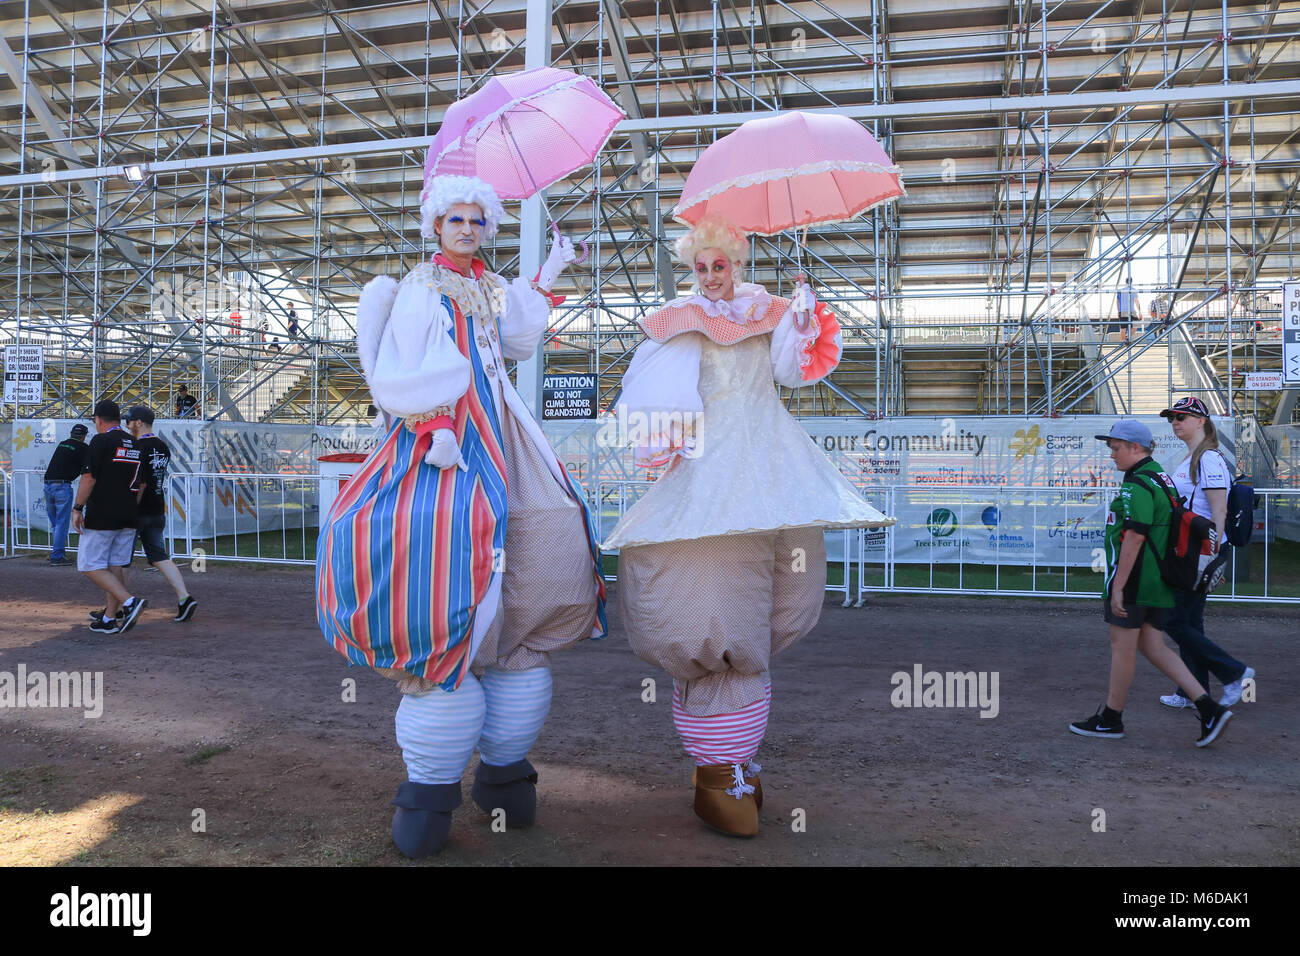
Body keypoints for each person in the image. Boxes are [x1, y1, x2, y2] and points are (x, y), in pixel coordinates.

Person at [316, 171, 606, 858]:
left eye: (479, 222)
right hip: (439, 431)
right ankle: (432, 782)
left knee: (540, 521)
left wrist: (554, 268)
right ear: (435, 225)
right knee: (438, 537)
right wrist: (433, 423)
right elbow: (403, 362)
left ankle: (504, 764)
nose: (469, 230)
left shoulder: (488, 286)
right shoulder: (420, 287)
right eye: (458, 221)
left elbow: (517, 337)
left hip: (499, 421)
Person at [602, 214, 895, 837]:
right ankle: (719, 767)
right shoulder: (678, 320)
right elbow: (654, 390)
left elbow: (790, 371)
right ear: (693, 269)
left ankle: (735, 763)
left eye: (720, 265)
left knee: (781, 573)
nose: (711, 276)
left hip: (766, 448)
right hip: (709, 456)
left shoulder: (767, 310)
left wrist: (802, 317)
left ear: (737, 264)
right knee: (708, 585)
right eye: (701, 266)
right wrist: (661, 439)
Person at [1070, 419, 1232, 747]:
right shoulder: (1161, 476)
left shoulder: (1138, 484)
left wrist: (1118, 585)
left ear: (1136, 448)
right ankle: (1209, 707)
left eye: (1116, 449)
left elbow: (1136, 536)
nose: (1112, 455)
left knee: (1122, 647)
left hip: (1137, 580)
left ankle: (1111, 719)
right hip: (1157, 580)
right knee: (1152, 646)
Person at [1156, 397, 1254, 709]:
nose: (1176, 422)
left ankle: (1234, 672)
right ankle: (1192, 691)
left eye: (1182, 417)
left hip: (1201, 549)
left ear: (1201, 421)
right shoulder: (1192, 457)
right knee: (1190, 621)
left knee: (1173, 619)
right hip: (1194, 548)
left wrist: (1212, 558)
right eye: (1173, 418)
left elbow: (1219, 510)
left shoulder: (1208, 459)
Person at [72, 400, 148, 634]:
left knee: (88, 564)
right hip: (128, 515)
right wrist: (129, 505)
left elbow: (89, 478)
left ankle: (130, 602)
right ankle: (108, 619)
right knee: (115, 566)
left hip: (103, 514)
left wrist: (77, 508)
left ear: (99, 419)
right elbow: (143, 483)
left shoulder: (100, 440)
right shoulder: (135, 442)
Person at [124, 405, 198, 622]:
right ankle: (184, 598)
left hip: (139, 510)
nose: (126, 426)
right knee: (159, 557)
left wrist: (130, 509)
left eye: (128, 422)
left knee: (121, 561)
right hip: (157, 508)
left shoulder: (136, 446)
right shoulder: (162, 445)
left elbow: (140, 483)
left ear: (138, 423)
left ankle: (119, 607)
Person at [43, 423, 89, 565]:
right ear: (84, 436)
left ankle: (56, 552)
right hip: (62, 486)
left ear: (71, 434)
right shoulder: (84, 448)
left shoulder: (63, 444)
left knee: (56, 523)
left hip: (48, 485)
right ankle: (57, 556)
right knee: (61, 523)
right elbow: (88, 469)